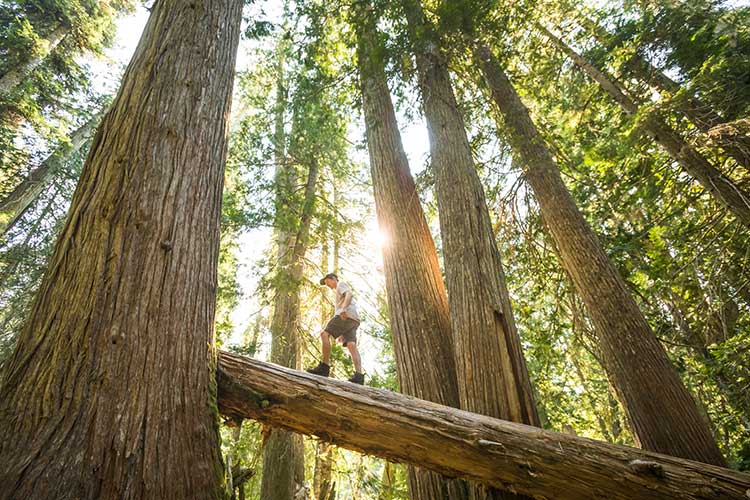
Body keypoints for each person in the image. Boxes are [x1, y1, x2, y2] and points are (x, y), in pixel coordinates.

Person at [307, 273, 364, 384]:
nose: (327, 284)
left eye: (327, 281)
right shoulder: (338, 290)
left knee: (324, 334)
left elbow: (349, 294)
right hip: (354, 319)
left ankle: (324, 367)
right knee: (351, 345)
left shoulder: (340, 284)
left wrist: (343, 308)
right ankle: (359, 376)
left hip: (345, 315)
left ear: (333, 279)